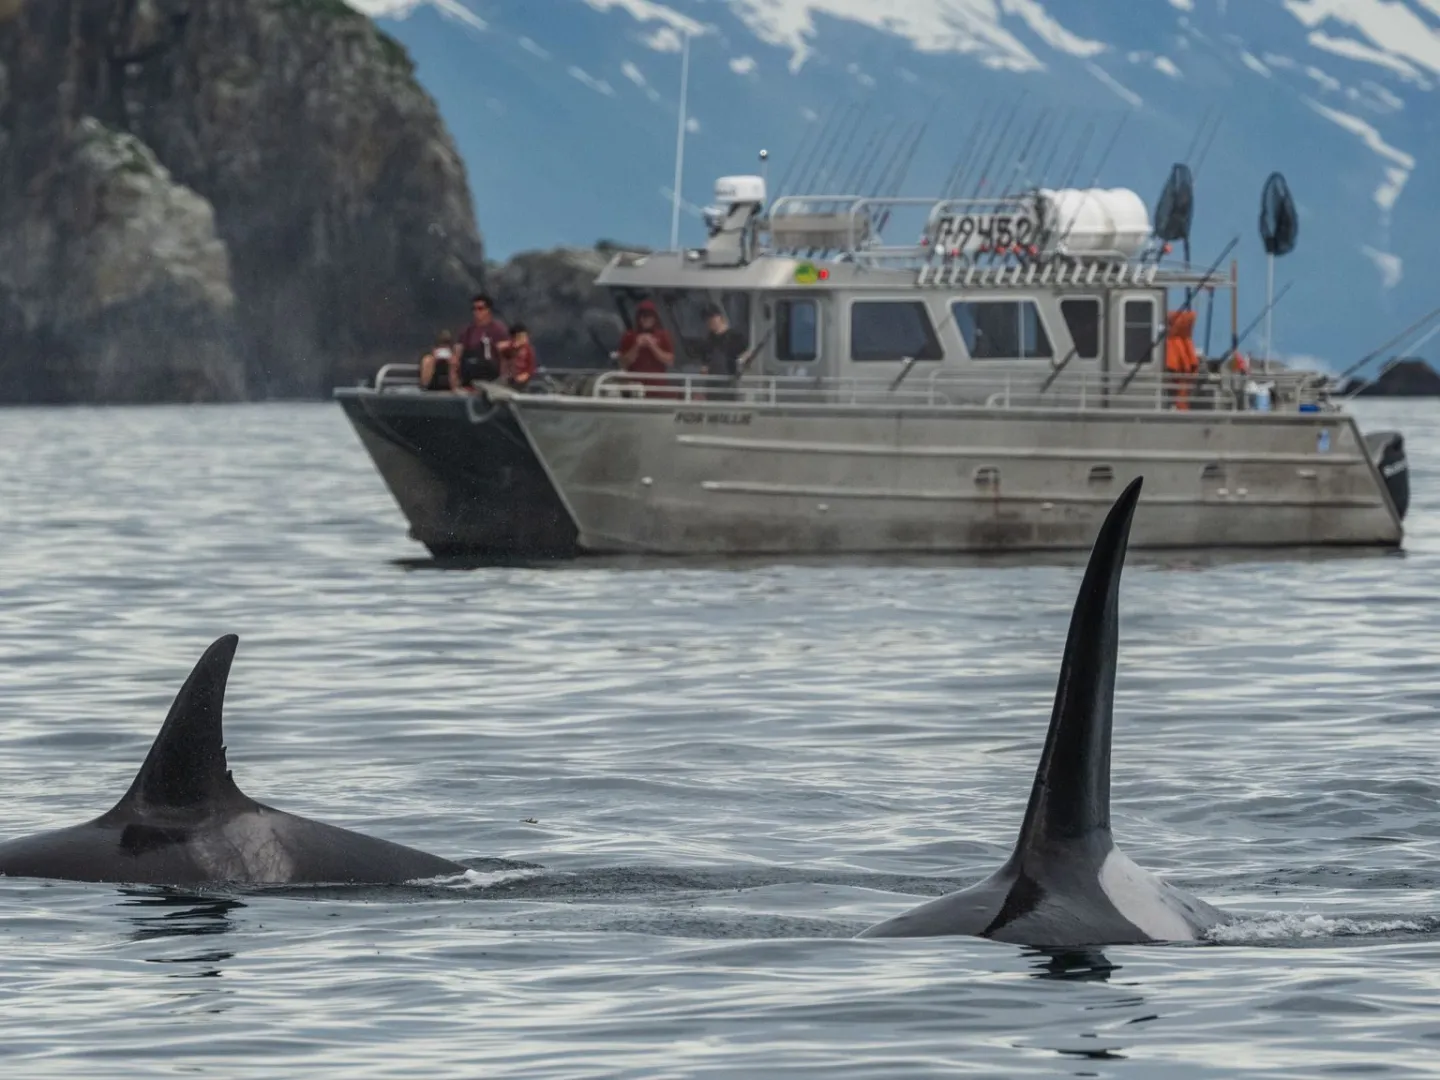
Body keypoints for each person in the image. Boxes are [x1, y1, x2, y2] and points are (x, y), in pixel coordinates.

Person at [617, 299, 677, 398]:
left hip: (658, 388)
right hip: (634, 389)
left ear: (655, 318)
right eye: (643, 316)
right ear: (638, 318)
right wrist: (637, 346)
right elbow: (623, 363)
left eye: (650, 316)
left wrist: (653, 346)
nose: (647, 319)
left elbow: (669, 360)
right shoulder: (629, 336)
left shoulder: (664, 335)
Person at [457, 293, 510, 387]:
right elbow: (458, 354)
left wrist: (503, 379)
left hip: (490, 372)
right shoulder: (467, 331)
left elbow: (505, 357)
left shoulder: (498, 330)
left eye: (480, 308)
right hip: (470, 370)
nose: (476, 312)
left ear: (488, 310)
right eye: (474, 309)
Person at [699, 303, 748, 401]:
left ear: (720, 317)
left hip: (731, 384)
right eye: (707, 319)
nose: (710, 321)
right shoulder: (707, 341)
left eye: (712, 317)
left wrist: (743, 361)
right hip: (712, 387)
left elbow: (746, 356)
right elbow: (704, 365)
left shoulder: (736, 337)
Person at [1164, 308, 1199, 411]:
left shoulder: (1172, 342)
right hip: (1183, 385)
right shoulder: (1186, 342)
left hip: (1178, 386)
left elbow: (1171, 366)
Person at [499, 322, 537, 389]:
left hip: (523, 382)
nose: (524, 339)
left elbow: (531, 366)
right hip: (507, 380)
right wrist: (514, 347)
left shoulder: (529, 350)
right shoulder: (507, 347)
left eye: (525, 336)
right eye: (520, 337)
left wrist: (526, 374)